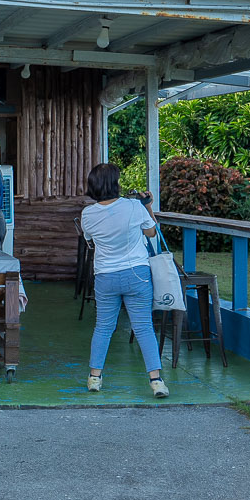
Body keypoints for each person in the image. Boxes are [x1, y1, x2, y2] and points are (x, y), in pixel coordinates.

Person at [79, 162, 169, 398]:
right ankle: (156, 381)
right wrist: (147, 206)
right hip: (136, 275)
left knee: (103, 327)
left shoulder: (87, 214)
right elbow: (151, 232)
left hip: (105, 276)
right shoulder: (133, 206)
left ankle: (95, 378)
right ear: (115, 184)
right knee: (143, 327)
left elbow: (90, 239)